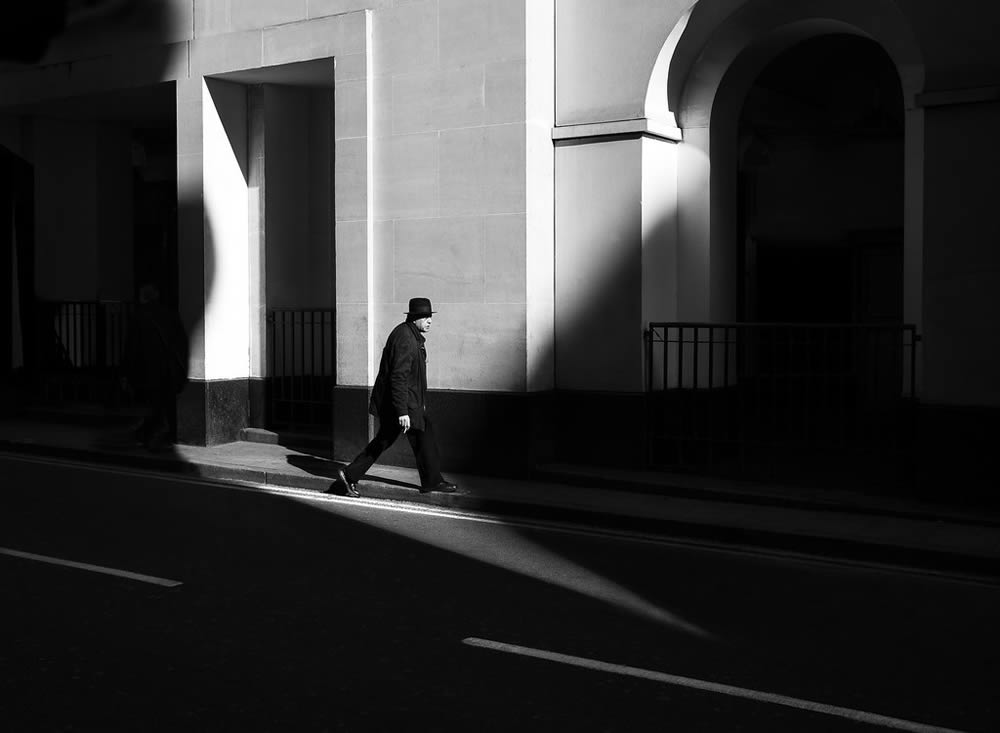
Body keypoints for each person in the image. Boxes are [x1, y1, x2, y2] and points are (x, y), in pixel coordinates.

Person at [332, 297, 457, 497]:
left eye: (430, 316)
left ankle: (431, 481)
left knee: (413, 439)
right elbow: (398, 378)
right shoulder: (405, 339)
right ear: (415, 318)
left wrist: (418, 404)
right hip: (401, 405)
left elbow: (413, 377)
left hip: (410, 403)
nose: (429, 320)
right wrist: (402, 412)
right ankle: (350, 474)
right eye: (425, 317)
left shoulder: (411, 335)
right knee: (396, 440)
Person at [121, 282, 188, 451]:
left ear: (142, 297)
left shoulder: (139, 316)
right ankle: (167, 434)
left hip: (148, 370)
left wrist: (126, 372)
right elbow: (181, 341)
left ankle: (149, 435)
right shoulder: (169, 314)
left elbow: (132, 347)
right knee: (167, 402)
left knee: (153, 403)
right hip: (169, 368)